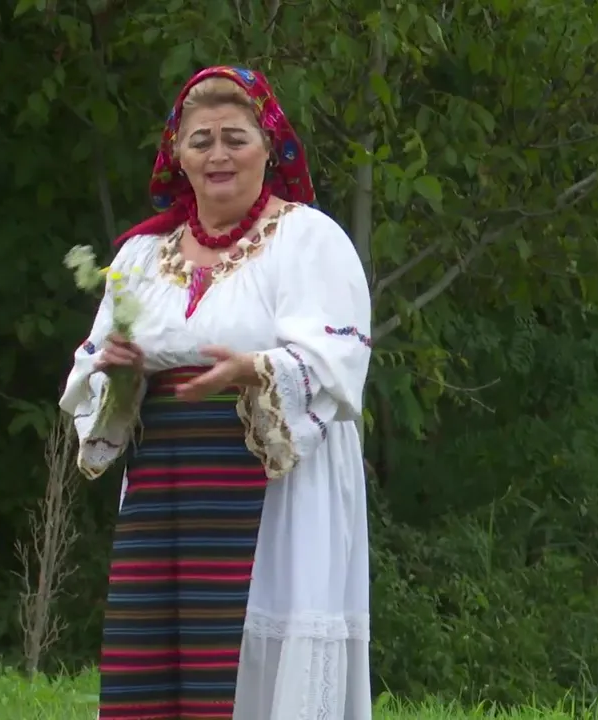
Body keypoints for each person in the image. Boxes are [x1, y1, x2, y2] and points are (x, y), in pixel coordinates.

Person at [60, 65, 373, 720]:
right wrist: (119, 373)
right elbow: (92, 371)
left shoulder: (308, 240)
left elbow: (339, 362)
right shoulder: (141, 256)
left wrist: (255, 369)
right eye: (201, 140)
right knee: (151, 665)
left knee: (235, 671)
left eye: (235, 138)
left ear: (269, 149)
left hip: (264, 484)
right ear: (177, 154)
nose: (218, 155)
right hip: (164, 486)